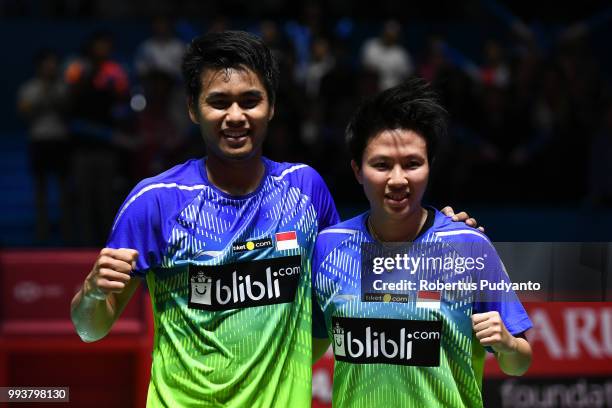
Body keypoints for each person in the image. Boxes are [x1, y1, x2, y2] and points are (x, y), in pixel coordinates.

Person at [70, 31, 480, 407]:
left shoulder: (305, 190)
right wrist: (90, 292)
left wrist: (435, 232)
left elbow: (352, 286)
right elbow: (91, 329)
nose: (235, 116)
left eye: (250, 100)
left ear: (271, 107)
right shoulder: (154, 202)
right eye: (218, 102)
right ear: (193, 110)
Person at [312, 78, 532, 407]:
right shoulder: (328, 247)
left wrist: (507, 345)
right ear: (358, 170)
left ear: (429, 167)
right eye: (382, 165)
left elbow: (520, 362)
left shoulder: (468, 245)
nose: (398, 179)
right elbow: (306, 350)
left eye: (412, 164)